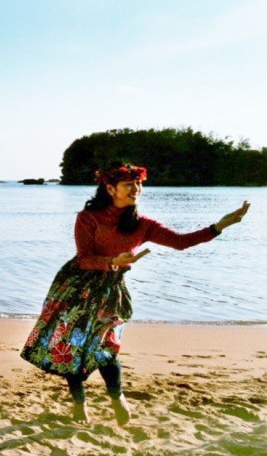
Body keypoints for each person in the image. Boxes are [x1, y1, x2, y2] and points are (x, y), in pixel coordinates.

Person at [20, 162, 250, 425]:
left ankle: (117, 398)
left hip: (111, 291)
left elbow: (181, 242)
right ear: (110, 188)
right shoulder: (88, 217)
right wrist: (113, 261)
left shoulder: (142, 225)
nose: (136, 189)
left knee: (107, 350)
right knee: (72, 348)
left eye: (138, 184)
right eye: (129, 185)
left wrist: (219, 227)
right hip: (77, 287)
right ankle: (79, 405)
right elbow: (84, 259)